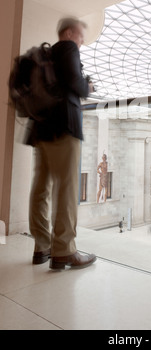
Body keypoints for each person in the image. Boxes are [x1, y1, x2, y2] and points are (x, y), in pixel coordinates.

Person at [28, 17, 97, 270]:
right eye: (81, 36)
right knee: (66, 188)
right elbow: (74, 83)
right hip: (64, 125)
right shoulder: (67, 48)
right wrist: (87, 85)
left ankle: (42, 247)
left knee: (41, 189)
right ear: (69, 33)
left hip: (41, 128)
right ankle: (64, 251)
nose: (82, 41)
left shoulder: (45, 55)